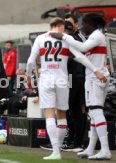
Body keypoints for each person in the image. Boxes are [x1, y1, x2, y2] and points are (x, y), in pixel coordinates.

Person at [27, 17, 106, 160]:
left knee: (49, 113)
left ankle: (56, 151)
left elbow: (30, 61)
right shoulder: (66, 39)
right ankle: (60, 147)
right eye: (64, 27)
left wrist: (28, 77)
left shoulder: (40, 39)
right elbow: (80, 57)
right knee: (62, 114)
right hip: (63, 80)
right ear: (60, 26)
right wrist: (95, 70)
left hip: (46, 79)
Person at [50, 13, 112, 160]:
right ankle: (91, 148)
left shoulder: (96, 35)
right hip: (95, 76)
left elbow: (83, 47)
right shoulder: (95, 36)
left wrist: (64, 37)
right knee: (94, 113)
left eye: (84, 24)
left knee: (96, 112)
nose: (82, 27)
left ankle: (105, 149)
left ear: (92, 24)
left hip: (95, 78)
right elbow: (81, 54)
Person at [61, 15, 86, 152]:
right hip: (75, 77)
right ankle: (74, 141)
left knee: (70, 110)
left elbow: (74, 59)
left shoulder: (73, 40)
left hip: (73, 78)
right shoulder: (74, 39)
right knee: (74, 110)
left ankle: (72, 141)